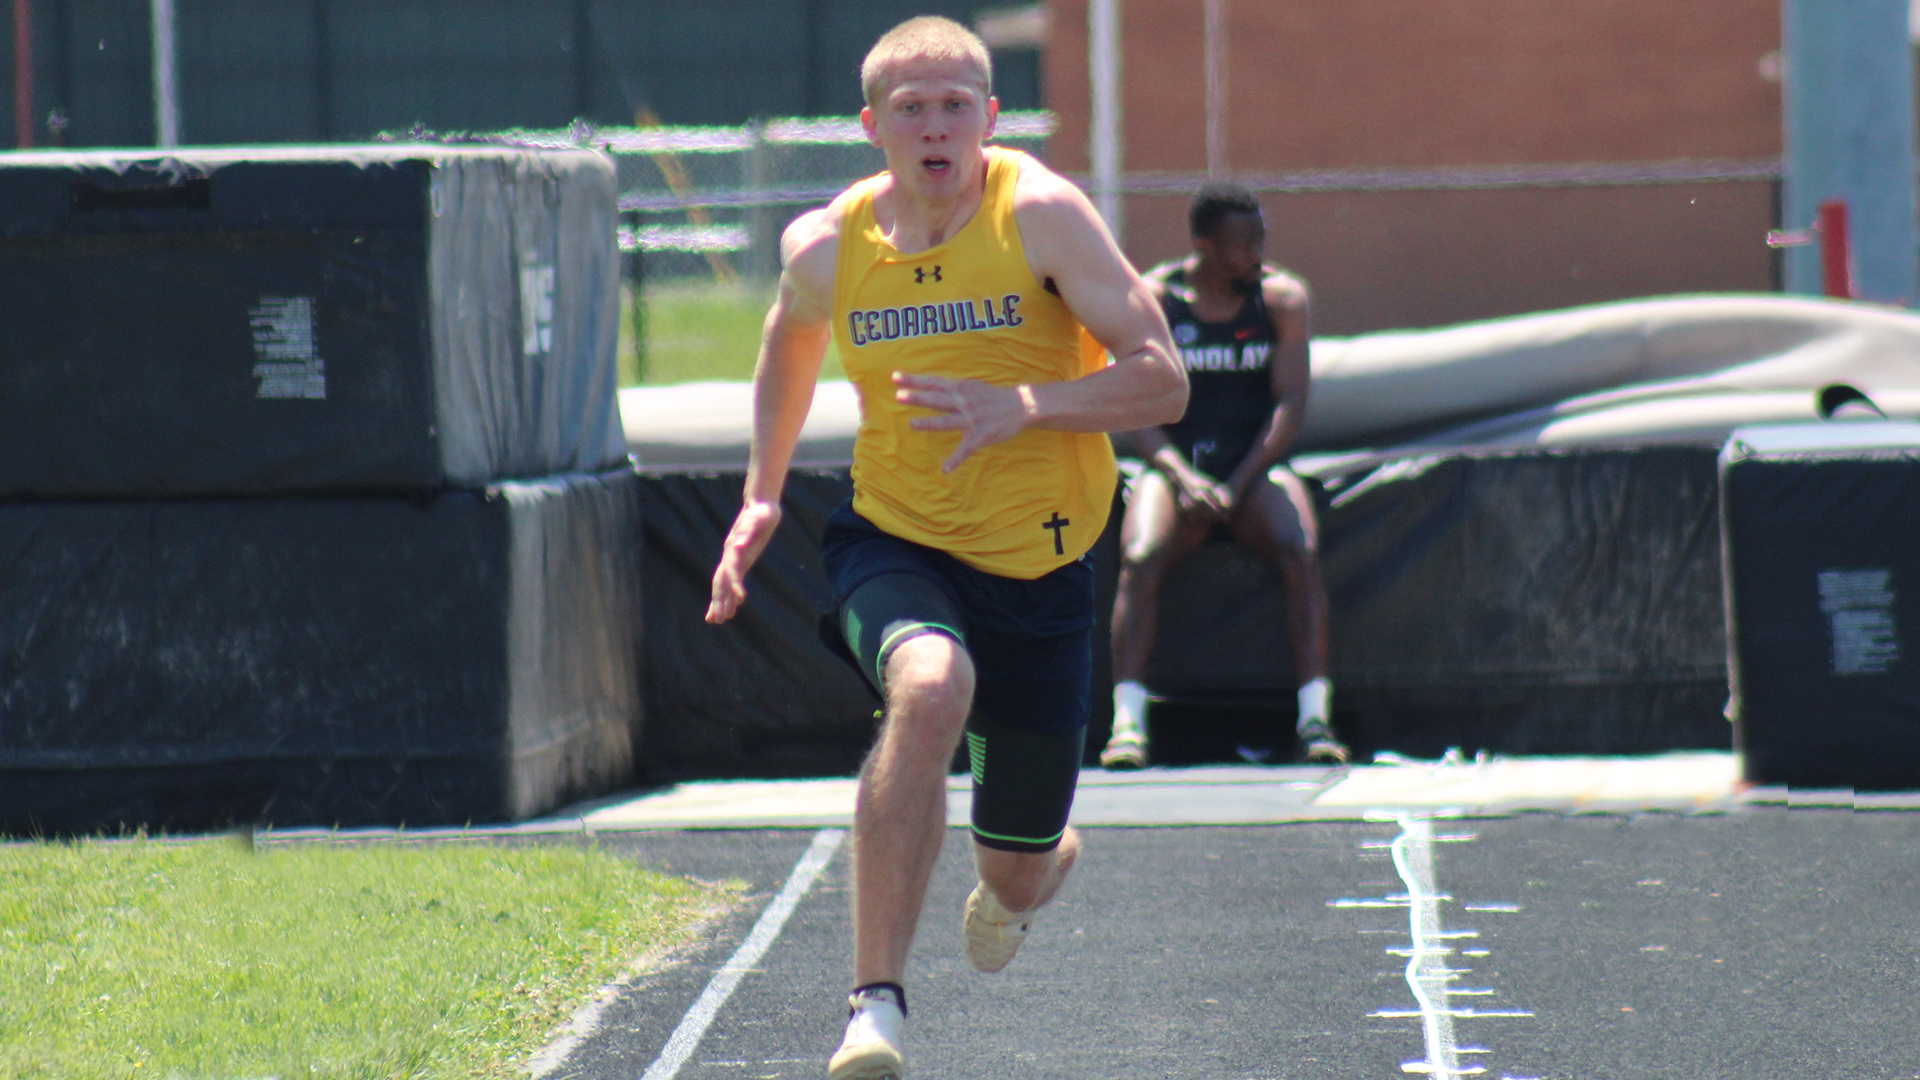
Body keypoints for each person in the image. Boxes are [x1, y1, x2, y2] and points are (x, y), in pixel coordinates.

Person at [702, 16, 1185, 1080]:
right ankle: (875, 1008)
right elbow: (788, 340)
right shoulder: (828, 247)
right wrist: (760, 497)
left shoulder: (1044, 218)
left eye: (955, 104)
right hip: (897, 535)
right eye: (911, 109)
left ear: (990, 118)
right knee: (928, 686)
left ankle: (1035, 859)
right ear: (873, 127)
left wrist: (1023, 404)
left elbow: (1163, 379)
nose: (935, 126)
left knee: (1013, 874)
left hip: (1044, 566)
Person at [1097, 182, 1349, 771]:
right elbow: (1137, 405)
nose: (1257, 255)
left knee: (1298, 546)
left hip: (1252, 468)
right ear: (1204, 246)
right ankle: (1127, 726)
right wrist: (1182, 477)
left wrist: (1237, 484)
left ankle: (1315, 721)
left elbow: (1289, 405)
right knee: (1139, 555)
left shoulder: (1283, 299)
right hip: (1178, 466)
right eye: (1243, 246)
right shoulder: (1156, 299)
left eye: (1261, 240)